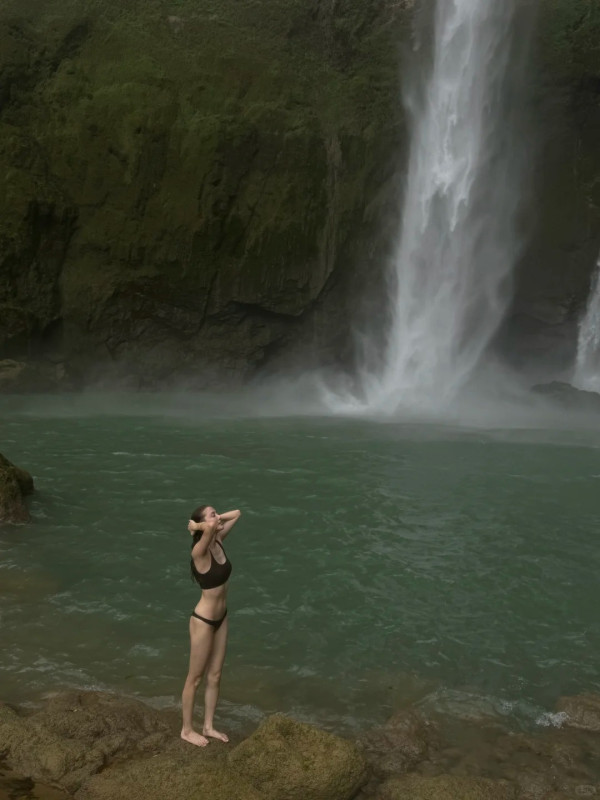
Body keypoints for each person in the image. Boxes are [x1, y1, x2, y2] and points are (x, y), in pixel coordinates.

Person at [181, 505, 241, 746]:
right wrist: (201, 527)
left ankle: (208, 726)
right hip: (203, 621)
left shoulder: (218, 539)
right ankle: (186, 730)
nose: (217, 517)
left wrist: (205, 523)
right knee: (195, 678)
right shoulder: (200, 551)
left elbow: (237, 513)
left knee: (215, 675)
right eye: (212, 514)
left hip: (222, 617)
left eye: (217, 513)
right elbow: (206, 532)